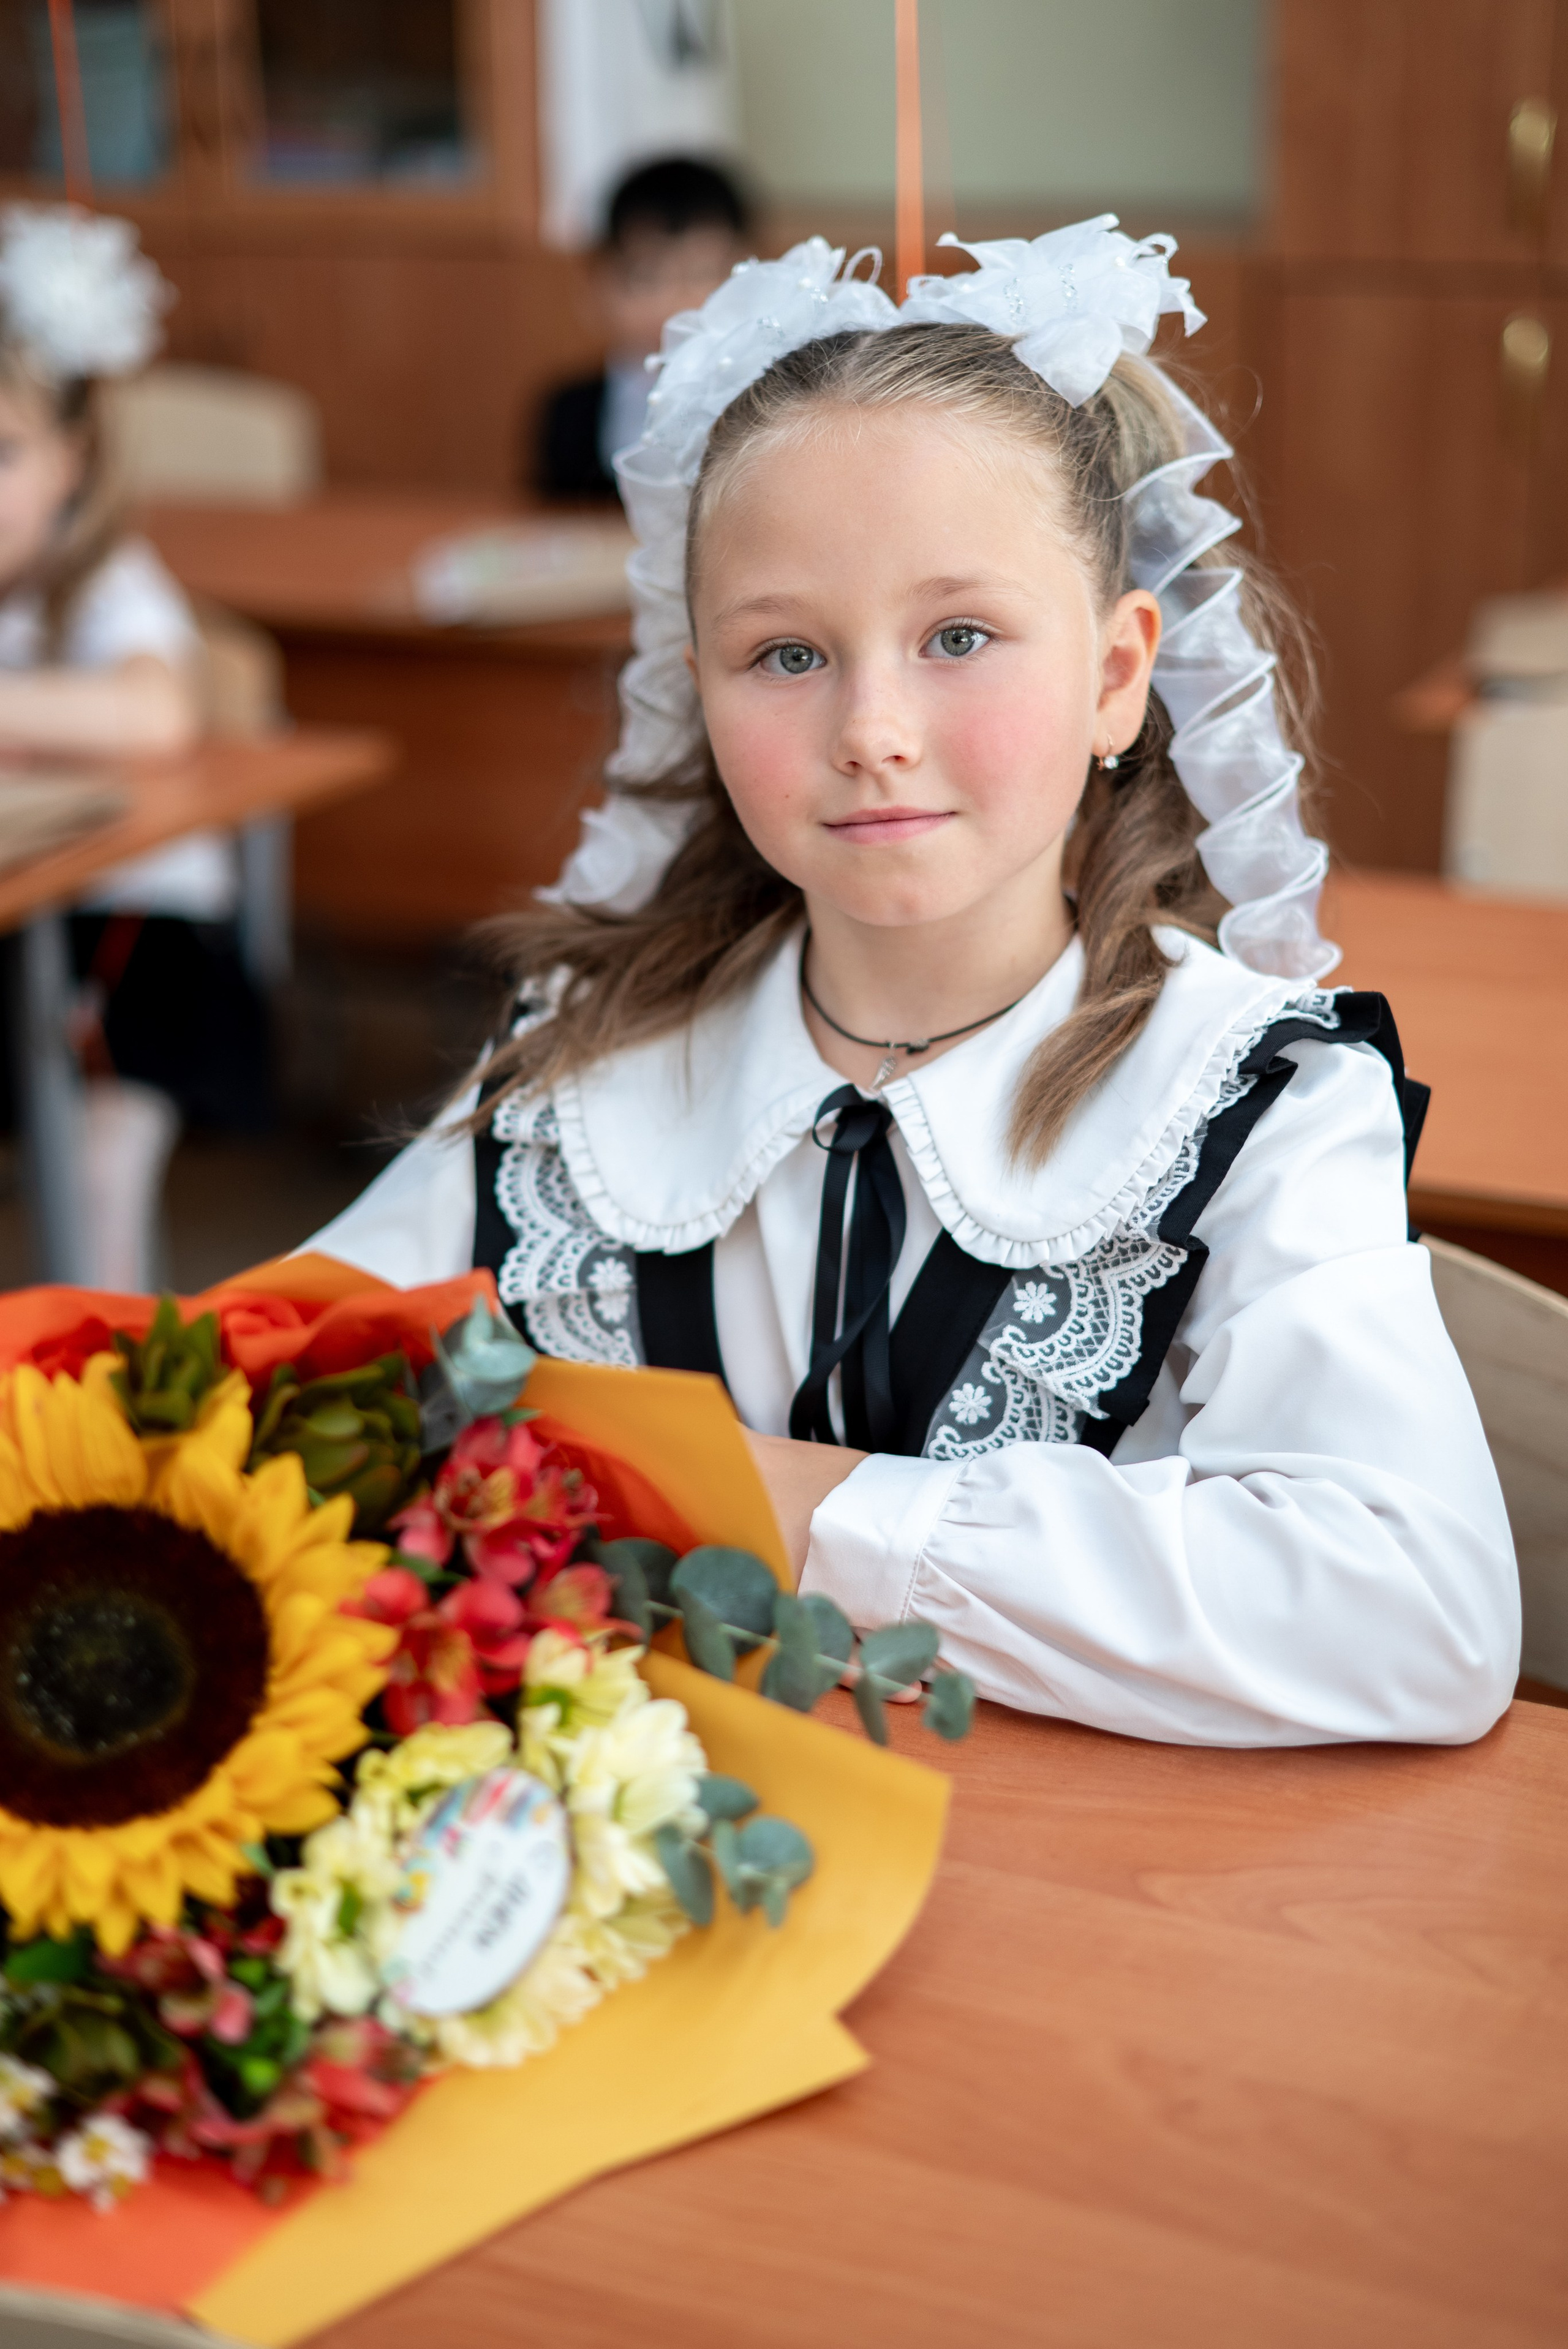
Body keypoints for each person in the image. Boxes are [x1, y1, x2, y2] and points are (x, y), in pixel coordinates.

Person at [314, 222, 1519, 1747]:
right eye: (784, 655)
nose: (870, 729)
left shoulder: (1255, 1098)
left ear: (1114, 675)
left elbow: (1419, 1611)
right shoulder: (590, 1055)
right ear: (698, 689)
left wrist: (795, 1505)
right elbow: (291, 1368)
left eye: (957, 635)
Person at [0, 204, 271, 1287]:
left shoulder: (106, 583)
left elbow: (158, 717)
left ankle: (110, 1353)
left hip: (138, 943)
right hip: (20, 927)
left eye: (3, 452)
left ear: (72, 460)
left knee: (101, 1177)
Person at [532, 155, 750, 502]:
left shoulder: (764, 398)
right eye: (647, 278)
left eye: (702, 274)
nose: (676, 304)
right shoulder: (570, 409)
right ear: (600, 287)